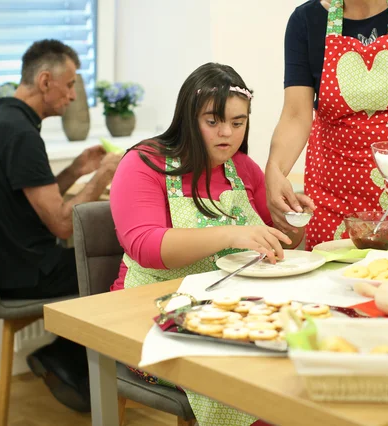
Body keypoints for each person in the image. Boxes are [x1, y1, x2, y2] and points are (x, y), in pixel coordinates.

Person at [109, 62, 302, 425]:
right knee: (243, 382)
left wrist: (291, 220)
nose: (226, 133)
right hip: (149, 320)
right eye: (212, 121)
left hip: (229, 310)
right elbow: (145, 247)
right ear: (187, 117)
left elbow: (282, 245)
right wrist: (231, 234)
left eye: (237, 122)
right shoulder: (144, 163)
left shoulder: (243, 169)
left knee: (296, 363)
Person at [0, 39, 121, 412]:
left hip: (1, 267)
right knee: (124, 265)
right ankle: (64, 357)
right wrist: (103, 174)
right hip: (27, 272)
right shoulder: (21, 134)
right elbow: (63, 225)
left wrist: (78, 169)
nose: (71, 96)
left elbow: (29, 202)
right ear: (47, 80)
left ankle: (67, 359)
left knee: (102, 262)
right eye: (69, 85)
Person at [265, 0, 388, 250]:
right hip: (335, 197)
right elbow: (296, 115)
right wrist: (275, 169)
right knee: (337, 280)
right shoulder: (306, 20)